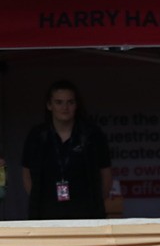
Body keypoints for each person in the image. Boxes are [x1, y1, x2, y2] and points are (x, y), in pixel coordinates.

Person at [21, 80, 112, 220]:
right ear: (49, 105)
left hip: (86, 213)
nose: (65, 107)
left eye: (70, 102)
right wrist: (36, 200)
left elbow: (106, 172)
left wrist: (97, 202)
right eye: (59, 102)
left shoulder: (92, 135)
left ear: (76, 105)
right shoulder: (37, 135)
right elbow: (26, 172)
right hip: (45, 214)